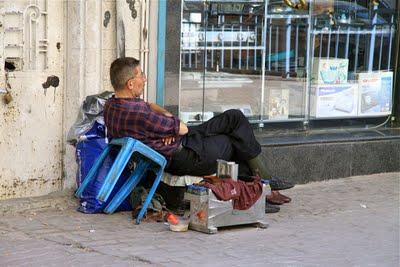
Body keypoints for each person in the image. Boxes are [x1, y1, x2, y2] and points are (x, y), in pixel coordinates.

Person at [103, 57, 293, 212]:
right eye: (141, 75)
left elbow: (151, 105)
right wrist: (172, 127)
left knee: (234, 119)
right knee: (234, 137)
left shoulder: (112, 105)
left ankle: (262, 189)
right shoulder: (140, 115)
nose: (144, 79)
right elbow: (182, 128)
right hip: (184, 156)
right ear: (130, 83)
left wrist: (168, 120)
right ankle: (263, 189)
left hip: (178, 145)